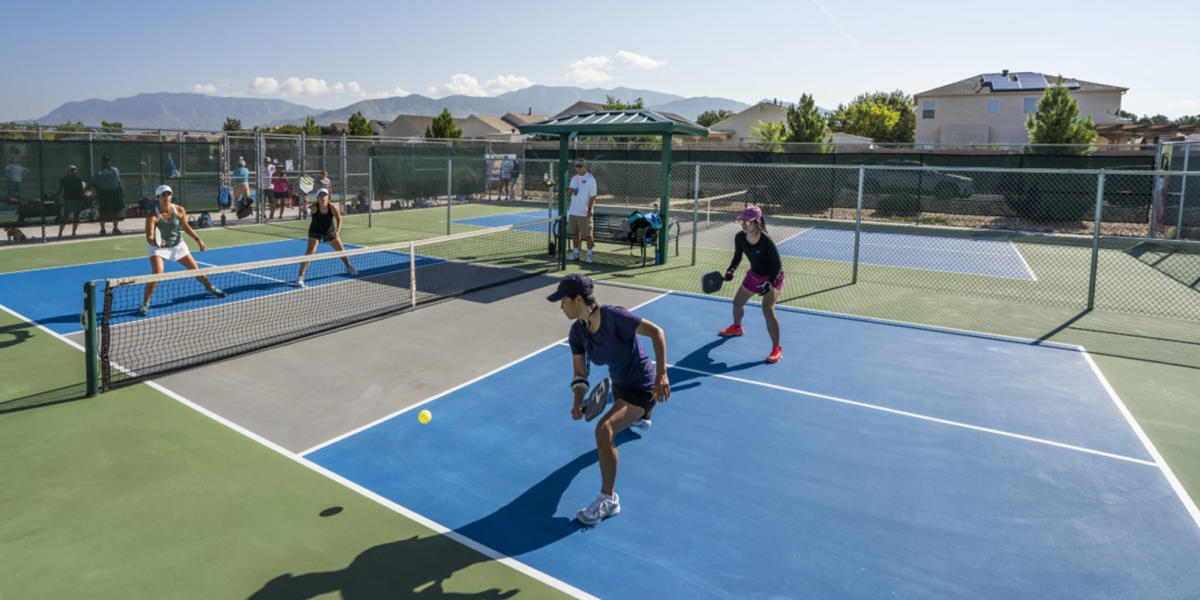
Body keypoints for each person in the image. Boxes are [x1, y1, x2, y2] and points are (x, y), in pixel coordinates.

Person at [548, 273, 669, 525]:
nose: (561, 306)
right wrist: (577, 400)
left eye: (563, 300)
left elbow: (657, 332)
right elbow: (580, 374)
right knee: (624, 419)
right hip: (619, 386)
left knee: (604, 430)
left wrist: (662, 375)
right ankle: (641, 419)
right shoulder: (577, 333)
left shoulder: (614, 316)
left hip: (643, 387)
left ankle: (609, 499)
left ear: (578, 299)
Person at [137, 185, 225, 316]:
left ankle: (209, 287)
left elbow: (186, 226)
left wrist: (198, 240)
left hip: (178, 245)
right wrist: (156, 242)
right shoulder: (152, 216)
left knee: (195, 269)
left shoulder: (179, 210)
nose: (167, 197)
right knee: (157, 273)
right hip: (158, 248)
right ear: (158, 198)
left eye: (169, 194)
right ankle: (145, 303)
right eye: (163, 195)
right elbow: (149, 237)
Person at [718, 205, 784, 364]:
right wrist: (730, 270)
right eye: (742, 221)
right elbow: (737, 257)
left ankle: (776, 348)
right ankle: (737, 327)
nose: (744, 224)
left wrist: (770, 283)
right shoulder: (740, 237)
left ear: (757, 222)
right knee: (737, 303)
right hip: (754, 275)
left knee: (767, 309)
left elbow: (777, 264)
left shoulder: (766, 241)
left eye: (747, 221)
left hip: (773, 276)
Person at [293, 189, 356, 288]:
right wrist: (305, 205)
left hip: (329, 232)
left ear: (328, 198)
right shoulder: (314, 207)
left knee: (342, 251)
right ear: (317, 198)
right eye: (321, 196)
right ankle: (300, 277)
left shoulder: (333, 207)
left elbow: (339, 218)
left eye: (325, 195)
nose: (323, 197)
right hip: (315, 232)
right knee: (310, 253)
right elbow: (306, 210)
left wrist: (338, 232)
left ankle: (348, 266)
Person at [566, 158, 597, 263]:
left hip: (585, 212)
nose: (577, 168)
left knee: (588, 235)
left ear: (584, 167)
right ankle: (575, 254)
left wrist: (589, 209)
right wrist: (569, 191)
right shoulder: (574, 178)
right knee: (575, 233)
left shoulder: (590, 179)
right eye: (576, 166)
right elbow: (570, 193)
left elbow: (593, 196)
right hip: (573, 211)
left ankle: (589, 255)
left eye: (580, 166)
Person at [94, 155, 125, 235]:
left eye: (107, 161)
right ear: (102, 162)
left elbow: (118, 181)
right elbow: (95, 184)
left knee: (115, 212)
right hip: (103, 194)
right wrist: (97, 195)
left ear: (109, 162)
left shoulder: (115, 170)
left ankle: (115, 229)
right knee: (103, 212)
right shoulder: (98, 171)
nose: (106, 163)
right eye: (104, 161)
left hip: (114, 194)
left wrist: (121, 192)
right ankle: (102, 230)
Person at [56, 165, 87, 238]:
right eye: (72, 170)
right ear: (68, 171)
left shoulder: (79, 180)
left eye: (74, 170)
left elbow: (82, 190)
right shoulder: (63, 179)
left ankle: (73, 233)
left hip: (77, 200)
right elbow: (60, 190)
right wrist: (56, 196)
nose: (73, 172)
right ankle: (60, 233)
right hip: (67, 200)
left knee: (76, 217)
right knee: (64, 217)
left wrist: (84, 195)